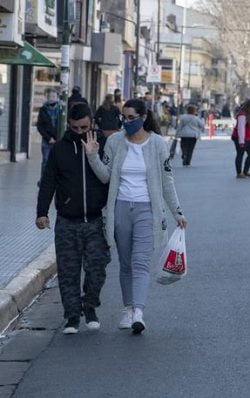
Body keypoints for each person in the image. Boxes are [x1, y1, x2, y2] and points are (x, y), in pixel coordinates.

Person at [84, 98, 187, 335]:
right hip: (120, 209)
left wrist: (177, 212)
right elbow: (106, 177)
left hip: (147, 210)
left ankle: (138, 312)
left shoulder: (158, 144)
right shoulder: (114, 142)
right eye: (124, 117)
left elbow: (166, 181)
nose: (127, 121)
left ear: (143, 117)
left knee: (140, 263)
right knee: (126, 264)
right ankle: (127, 309)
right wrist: (92, 156)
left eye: (131, 117)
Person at [36, 103, 109, 335]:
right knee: (68, 271)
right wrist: (42, 212)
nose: (79, 131)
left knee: (97, 268)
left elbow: (111, 177)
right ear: (69, 125)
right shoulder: (60, 149)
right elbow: (48, 182)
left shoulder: (103, 144)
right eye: (75, 127)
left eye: (84, 127)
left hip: (96, 220)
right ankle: (71, 316)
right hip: (67, 221)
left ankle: (90, 306)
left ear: (92, 123)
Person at [37, 89, 62, 181]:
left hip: (59, 140)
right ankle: (44, 179)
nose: (52, 99)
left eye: (54, 96)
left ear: (57, 98)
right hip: (47, 140)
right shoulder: (43, 110)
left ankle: (56, 179)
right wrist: (48, 138)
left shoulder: (61, 110)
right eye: (50, 96)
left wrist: (58, 138)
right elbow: (40, 126)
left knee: (59, 161)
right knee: (46, 160)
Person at [232, 100, 250, 178]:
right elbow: (241, 129)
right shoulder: (242, 115)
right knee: (240, 154)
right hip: (240, 137)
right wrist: (241, 142)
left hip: (249, 137)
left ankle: (246, 171)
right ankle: (239, 173)